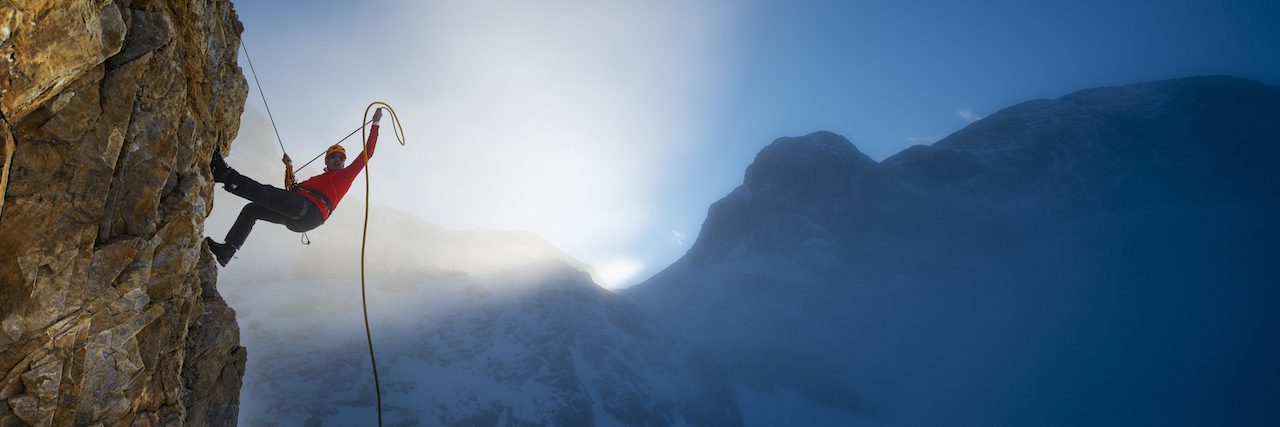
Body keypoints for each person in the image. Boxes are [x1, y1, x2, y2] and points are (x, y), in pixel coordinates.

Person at [204, 108, 383, 266]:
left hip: (312, 211)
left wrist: (376, 122)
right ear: (327, 160)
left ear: (344, 164)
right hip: (303, 218)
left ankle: (224, 175)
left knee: (269, 195)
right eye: (334, 157)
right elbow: (291, 191)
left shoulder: (345, 176)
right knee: (253, 210)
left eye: (341, 158)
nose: (338, 160)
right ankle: (227, 251)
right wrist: (289, 167)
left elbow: (369, 152)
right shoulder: (316, 180)